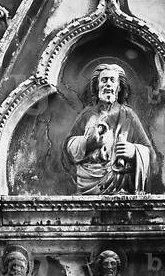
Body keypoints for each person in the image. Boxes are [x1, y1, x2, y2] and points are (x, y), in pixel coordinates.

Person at [64, 63, 153, 194]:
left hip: (120, 183)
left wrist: (134, 152)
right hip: (87, 182)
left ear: (118, 87)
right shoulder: (87, 115)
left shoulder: (128, 115)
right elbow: (67, 149)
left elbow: (150, 153)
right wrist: (87, 143)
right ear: (97, 86)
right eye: (104, 80)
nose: (108, 84)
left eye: (112, 80)